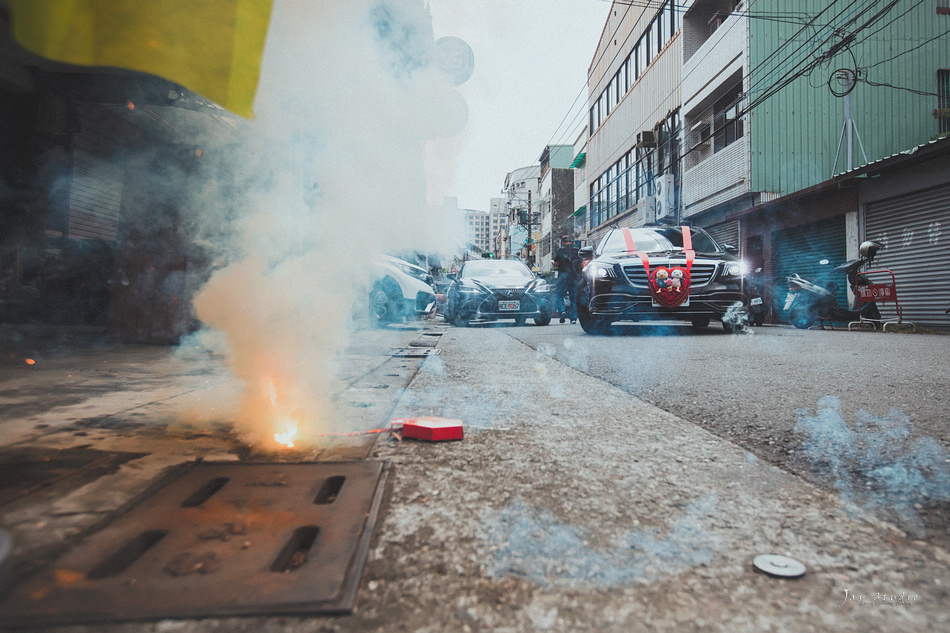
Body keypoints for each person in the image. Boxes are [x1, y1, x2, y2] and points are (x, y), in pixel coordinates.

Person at [553, 235, 580, 324]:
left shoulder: (560, 252)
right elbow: (581, 264)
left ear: (563, 242)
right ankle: (573, 318)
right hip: (574, 277)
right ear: (570, 242)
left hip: (563, 277)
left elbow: (555, 263)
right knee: (574, 298)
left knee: (559, 296)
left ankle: (562, 311)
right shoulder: (576, 251)